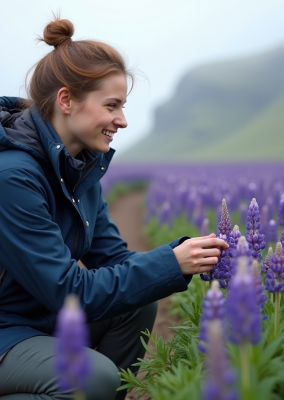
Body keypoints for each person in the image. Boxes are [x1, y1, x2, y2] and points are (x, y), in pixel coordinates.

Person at [0, 17, 227, 400]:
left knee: (136, 307)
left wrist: (188, 253)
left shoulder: (79, 170)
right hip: (8, 330)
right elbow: (68, 291)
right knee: (92, 377)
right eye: (112, 106)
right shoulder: (13, 177)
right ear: (66, 100)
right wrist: (172, 262)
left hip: (39, 320)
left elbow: (115, 261)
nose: (122, 120)